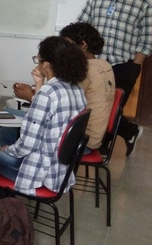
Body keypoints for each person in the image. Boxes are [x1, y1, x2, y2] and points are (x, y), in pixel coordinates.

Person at [77, 0, 152, 157]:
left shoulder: (145, 1)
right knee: (95, 104)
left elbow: (148, 36)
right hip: (95, 64)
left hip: (123, 64)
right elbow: (82, 24)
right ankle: (129, 132)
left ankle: (102, 147)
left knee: (112, 108)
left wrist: (135, 65)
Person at [0, 37, 87, 196]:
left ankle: (2, 196)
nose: (37, 63)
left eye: (38, 59)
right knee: (3, 126)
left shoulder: (47, 94)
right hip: (60, 171)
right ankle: (4, 195)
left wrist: (8, 150)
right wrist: (40, 83)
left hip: (36, 174)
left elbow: (28, 144)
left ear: (46, 64)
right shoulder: (76, 89)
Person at [12, 22, 115, 153]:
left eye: (68, 46)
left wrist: (32, 96)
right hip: (91, 135)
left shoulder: (85, 71)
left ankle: (13, 164)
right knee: (12, 116)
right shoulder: (104, 65)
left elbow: (62, 104)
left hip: (78, 139)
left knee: (9, 129)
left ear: (83, 45)